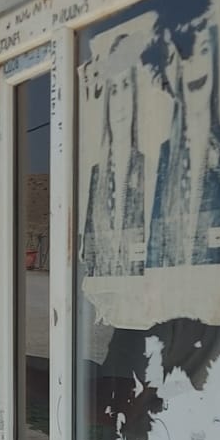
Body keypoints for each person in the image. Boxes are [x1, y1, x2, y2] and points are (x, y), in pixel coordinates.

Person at [146, 18, 220, 268]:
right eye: (181, 59)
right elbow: (155, 248)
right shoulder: (167, 153)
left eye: (202, 51)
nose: (192, 68)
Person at [81, 29, 146, 278]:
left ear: (135, 95)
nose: (119, 102)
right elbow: (89, 254)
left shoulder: (146, 168)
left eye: (126, 86)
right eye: (114, 90)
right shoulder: (97, 176)